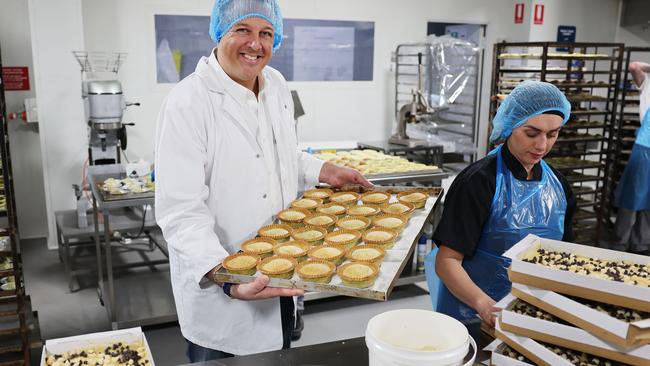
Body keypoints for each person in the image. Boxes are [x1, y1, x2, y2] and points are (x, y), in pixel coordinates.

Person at [154, 0, 371, 361]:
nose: (256, 44)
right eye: (243, 30)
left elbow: (282, 155)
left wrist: (323, 171)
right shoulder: (187, 103)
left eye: (266, 33)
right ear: (220, 32)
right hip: (223, 296)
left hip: (286, 269)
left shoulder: (277, 85)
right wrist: (227, 279)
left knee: (279, 355)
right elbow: (180, 212)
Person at [425, 81, 576, 333]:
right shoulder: (479, 182)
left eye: (552, 135)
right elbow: (447, 261)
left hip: (532, 315)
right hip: (471, 314)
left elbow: (565, 256)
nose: (542, 146)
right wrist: (483, 305)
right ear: (510, 126)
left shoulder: (559, 186)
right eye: (531, 133)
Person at [613, 61, 650, 253]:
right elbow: (634, 66)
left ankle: (641, 244)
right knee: (632, 196)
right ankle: (620, 242)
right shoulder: (647, 83)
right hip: (645, 147)